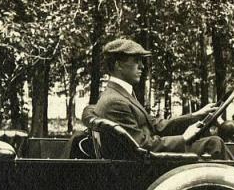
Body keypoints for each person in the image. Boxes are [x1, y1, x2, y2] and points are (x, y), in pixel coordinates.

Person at [90, 38, 225, 158]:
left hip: (145, 160)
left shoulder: (119, 94)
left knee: (212, 140)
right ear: (118, 65)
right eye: (136, 61)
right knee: (214, 144)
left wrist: (196, 115)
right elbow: (141, 145)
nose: (142, 66)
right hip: (144, 167)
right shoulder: (115, 102)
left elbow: (156, 125)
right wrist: (183, 138)